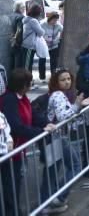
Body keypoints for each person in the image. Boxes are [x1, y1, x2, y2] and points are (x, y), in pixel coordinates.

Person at [1, 68, 57, 216]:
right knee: (11, 186)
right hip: (10, 151)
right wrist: (40, 132)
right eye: (29, 82)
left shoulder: (21, 97)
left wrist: (45, 124)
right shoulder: (9, 100)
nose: (31, 84)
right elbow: (16, 126)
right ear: (23, 85)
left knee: (15, 184)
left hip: (18, 150)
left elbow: (31, 115)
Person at [40, 68, 89, 212]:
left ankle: (47, 201)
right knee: (75, 165)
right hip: (56, 136)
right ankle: (58, 196)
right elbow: (63, 116)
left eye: (69, 79)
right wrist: (78, 105)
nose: (67, 82)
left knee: (52, 170)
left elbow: (64, 113)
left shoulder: (60, 94)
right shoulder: (58, 94)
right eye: (63, 80)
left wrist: (78, 105)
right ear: (55, 82)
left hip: (55, 136)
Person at [20, 4, 44, 75]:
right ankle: (26, 81)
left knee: (26, 64)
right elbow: (41, 33)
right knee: (27, 65)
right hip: (29, 46)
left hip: (25, 44)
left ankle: (27, 80)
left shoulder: (26, 19)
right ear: (37, 12)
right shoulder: (33, 21)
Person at [40, 12, 62, 82]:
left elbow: (63, 30)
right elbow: (38, 33)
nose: (55, 22)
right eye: (54, 20)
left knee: (53, 61)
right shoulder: (43, 24)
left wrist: (58, 37)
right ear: (50, 19)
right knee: (42, 60)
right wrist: (45, 39)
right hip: (43, 45)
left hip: (54, 45)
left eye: (56, 20)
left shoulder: (58, 25)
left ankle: (53, 77)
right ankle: (42, 77)